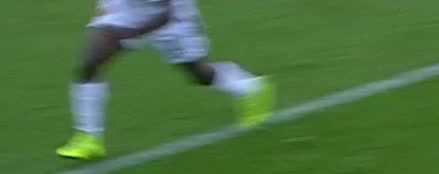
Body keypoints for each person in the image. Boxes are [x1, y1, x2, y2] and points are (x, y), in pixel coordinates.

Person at [57, 0, 275, 160]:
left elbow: (167, 14)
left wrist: (131, 33)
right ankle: (89, 138)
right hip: (126, 10)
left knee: (198, 73)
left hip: (170, 18)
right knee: (91, 63)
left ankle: (251, 88)